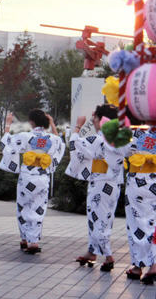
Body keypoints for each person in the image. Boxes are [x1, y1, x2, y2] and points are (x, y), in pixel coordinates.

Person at [65, 104, 126, 271]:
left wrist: (78, 126)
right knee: (101, 219)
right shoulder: (120, 138)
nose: (94, 122)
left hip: (100, 184)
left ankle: (108, 256)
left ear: (102, 120)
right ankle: (91, 252)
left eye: (96, 119)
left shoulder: (99, 139)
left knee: (99, 220)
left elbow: (75, 145)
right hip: (113, 184)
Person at [0, 109, 64, 254]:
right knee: (38, 207)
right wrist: (53, 125)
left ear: (31, 122)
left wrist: (8, 124)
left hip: (27, 177)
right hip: (42, 177)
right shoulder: (51, 139)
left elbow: (8, 144)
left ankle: (25, 239)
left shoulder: (25, 136)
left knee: (23, 206)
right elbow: (60, 144)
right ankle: (33, 240)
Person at [124, 123, 156, 283]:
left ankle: (139, 266)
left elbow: (124, 151)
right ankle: (153, 264)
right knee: (153, 223)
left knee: (136, 224)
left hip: (138, 182)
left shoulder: (138, 133)